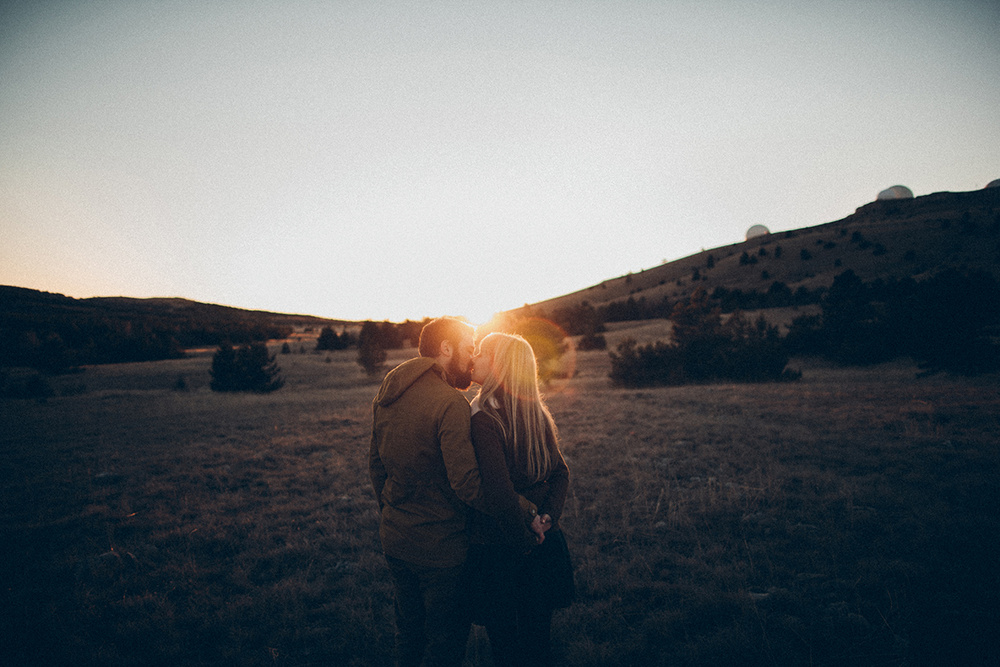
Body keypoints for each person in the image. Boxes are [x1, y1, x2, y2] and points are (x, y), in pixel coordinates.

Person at [369, 317, 540, 667]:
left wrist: (393, 512)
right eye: (468, 347)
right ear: (446, 349)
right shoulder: (449, 403)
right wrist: (524, 508)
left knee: (409, 635)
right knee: (444, 644)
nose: (472, 356)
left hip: (395, 540)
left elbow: (376, 466)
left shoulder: (389, 391)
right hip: (440, 551)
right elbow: (467, 483)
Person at [467, 332, 571, 667]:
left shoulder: (483, 418)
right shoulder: (537, 413)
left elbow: (498, 492)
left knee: (506, 646)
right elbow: (561, 475)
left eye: (482, 353)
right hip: (542, 543)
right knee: (537, 639)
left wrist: (527, 538)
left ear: (498, 365)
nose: (474, 358)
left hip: (502, 547)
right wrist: (547, 520)